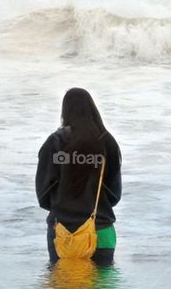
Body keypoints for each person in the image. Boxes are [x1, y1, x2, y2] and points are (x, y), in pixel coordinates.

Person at [36, 88, 122, 264]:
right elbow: (114, 194)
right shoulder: (107, 142)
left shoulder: (55, 142)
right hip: (100, 228)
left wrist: (63, 206)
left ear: (65, 111)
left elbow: (43, 194)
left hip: (62, 231)